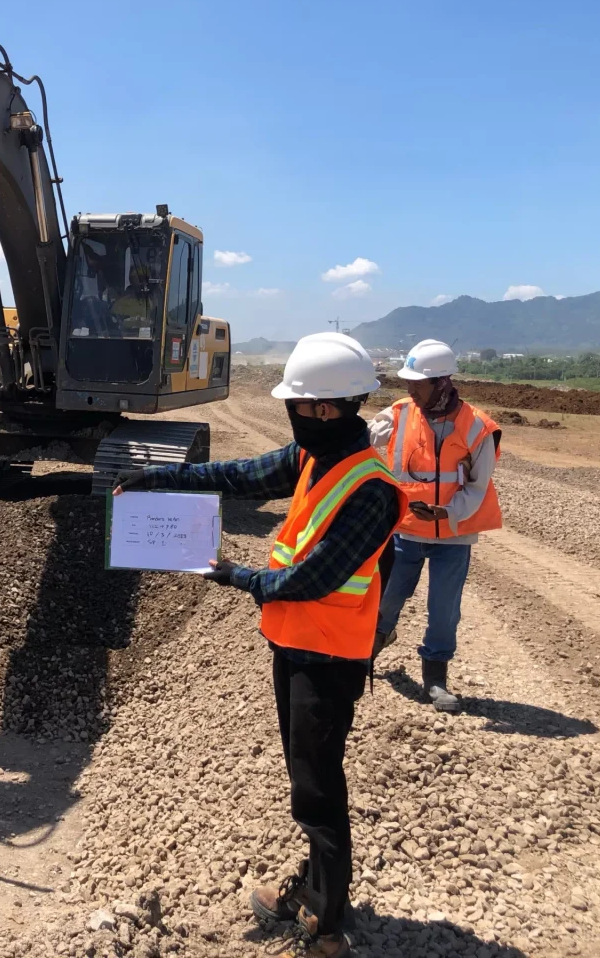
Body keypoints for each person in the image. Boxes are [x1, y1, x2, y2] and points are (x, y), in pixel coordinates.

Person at [113, 332, 406, 958]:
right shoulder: (314, 457)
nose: (293, 416)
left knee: (318, 787)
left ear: (327, 408)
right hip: (297, 647)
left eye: (298, 406)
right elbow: (241, 475)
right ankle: (319, 893)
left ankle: (326, 926)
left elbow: (315, 576)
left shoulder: (372, 488)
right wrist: (159, 478)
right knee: (308, 778)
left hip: (329, 659)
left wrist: (238, 575)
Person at [369, 339, 502, 712]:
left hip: (454, 533)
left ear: (442, 382)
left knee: (444, 608)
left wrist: (447, 512)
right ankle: (373, 645)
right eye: (408, 382)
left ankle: (435, 677)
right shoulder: (398, 412)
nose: (410, 389)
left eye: (418, 383)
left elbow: (478, 486)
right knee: (390, 595)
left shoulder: (477, 427)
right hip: (407, 528)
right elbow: (363, 438)